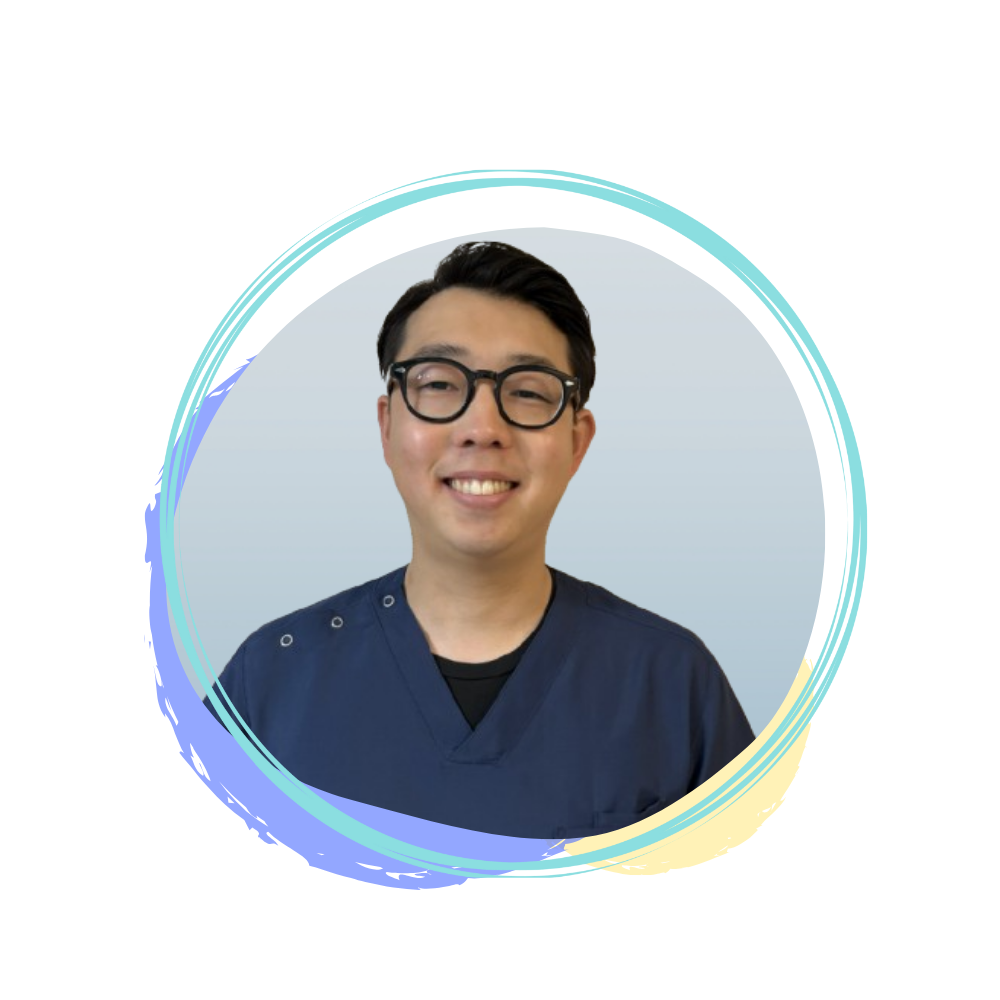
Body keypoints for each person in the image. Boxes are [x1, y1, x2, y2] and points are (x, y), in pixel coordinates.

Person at [204, 241, 754, 840]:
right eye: (440, 384)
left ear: (577, 441)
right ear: (387, 426)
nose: (483, 428)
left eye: (528, 391)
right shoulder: (272, 680)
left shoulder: (672, 685)